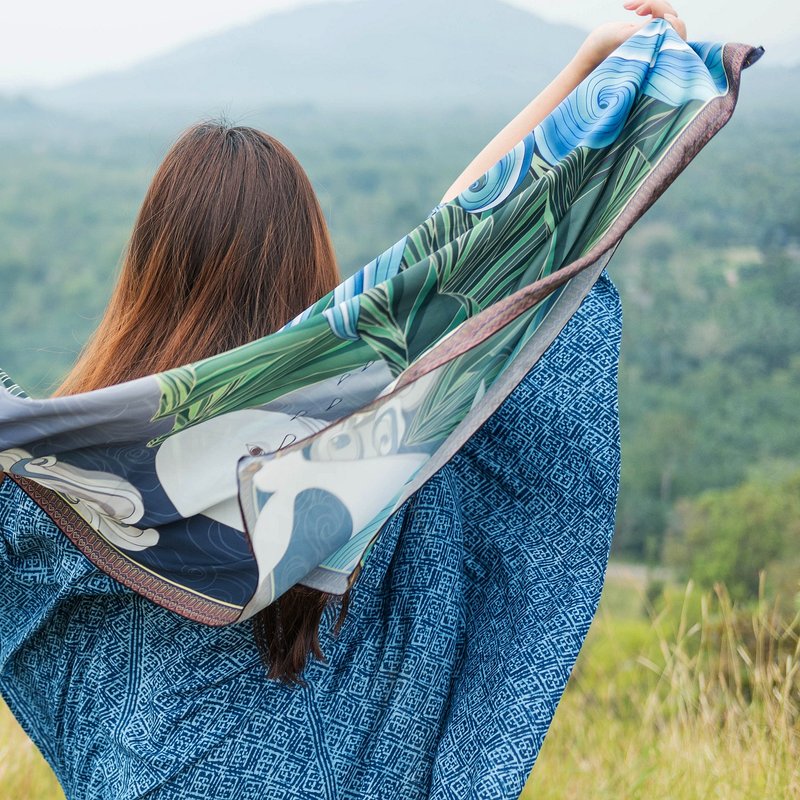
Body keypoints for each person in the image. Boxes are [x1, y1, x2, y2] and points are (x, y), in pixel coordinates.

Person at [0, 3, 686, 798]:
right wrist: (584, 76)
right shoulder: (361, 449)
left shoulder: (73, 479)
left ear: (149, 270)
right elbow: (466, 254)